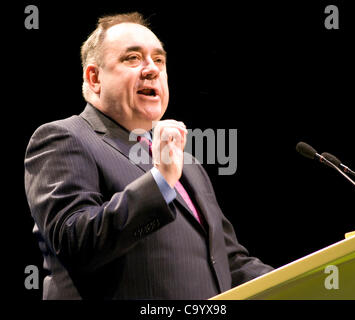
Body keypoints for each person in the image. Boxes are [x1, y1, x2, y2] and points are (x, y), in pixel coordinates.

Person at [24, 12, 273, 300]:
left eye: (159, 60)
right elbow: (75, 243)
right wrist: (160, 181)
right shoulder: (64, 138)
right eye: (132, 58)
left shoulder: (186, 164)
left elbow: (229, 262)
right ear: (94, 77)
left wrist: (305, 281)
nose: (152, 69)